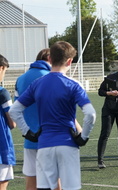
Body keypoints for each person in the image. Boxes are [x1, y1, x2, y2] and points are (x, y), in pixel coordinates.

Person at [9, 41, 96, 190]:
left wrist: (28, 133)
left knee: (44, 187)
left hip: (44, 145)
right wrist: (83, 137)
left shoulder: (37, 83)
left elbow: (14, 111)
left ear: (50, 59)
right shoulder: (74, 84)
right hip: (68, 144)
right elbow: (90, 114)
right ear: (70, 61)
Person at [0, 54, 16, 190]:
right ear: (1, 68)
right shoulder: (3, 93)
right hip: (1, 146)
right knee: (2, 183)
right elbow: (12, 122)